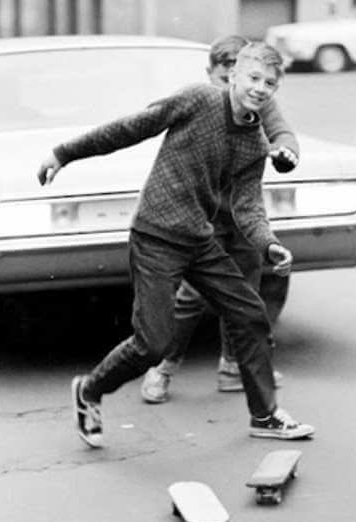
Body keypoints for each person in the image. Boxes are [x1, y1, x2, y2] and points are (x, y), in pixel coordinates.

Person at [37, 42, 315, 447]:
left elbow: (248, 206)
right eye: (253, 78)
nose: (259, 88)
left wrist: (269, 244)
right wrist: (64, 154)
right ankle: (90, 390)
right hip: (155, 236)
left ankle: (265, 415)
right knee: (153, 344)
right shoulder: (198, 100)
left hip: (199, 240)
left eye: (269, 83)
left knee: (250, 314)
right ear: (234, 75)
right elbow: (131, 127)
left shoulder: (256, 144)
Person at [140, 35, 300, 404]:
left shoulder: (259, 104)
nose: (241, 89)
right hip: (201, 219)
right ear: (213, 74)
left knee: (244, 292)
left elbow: (282, 132)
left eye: (250, 79)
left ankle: (232, 366)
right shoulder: (201, 105)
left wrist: (285, 150)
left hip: (242, 218)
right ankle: (163, 367)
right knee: (191, 296)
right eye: (225, 77)